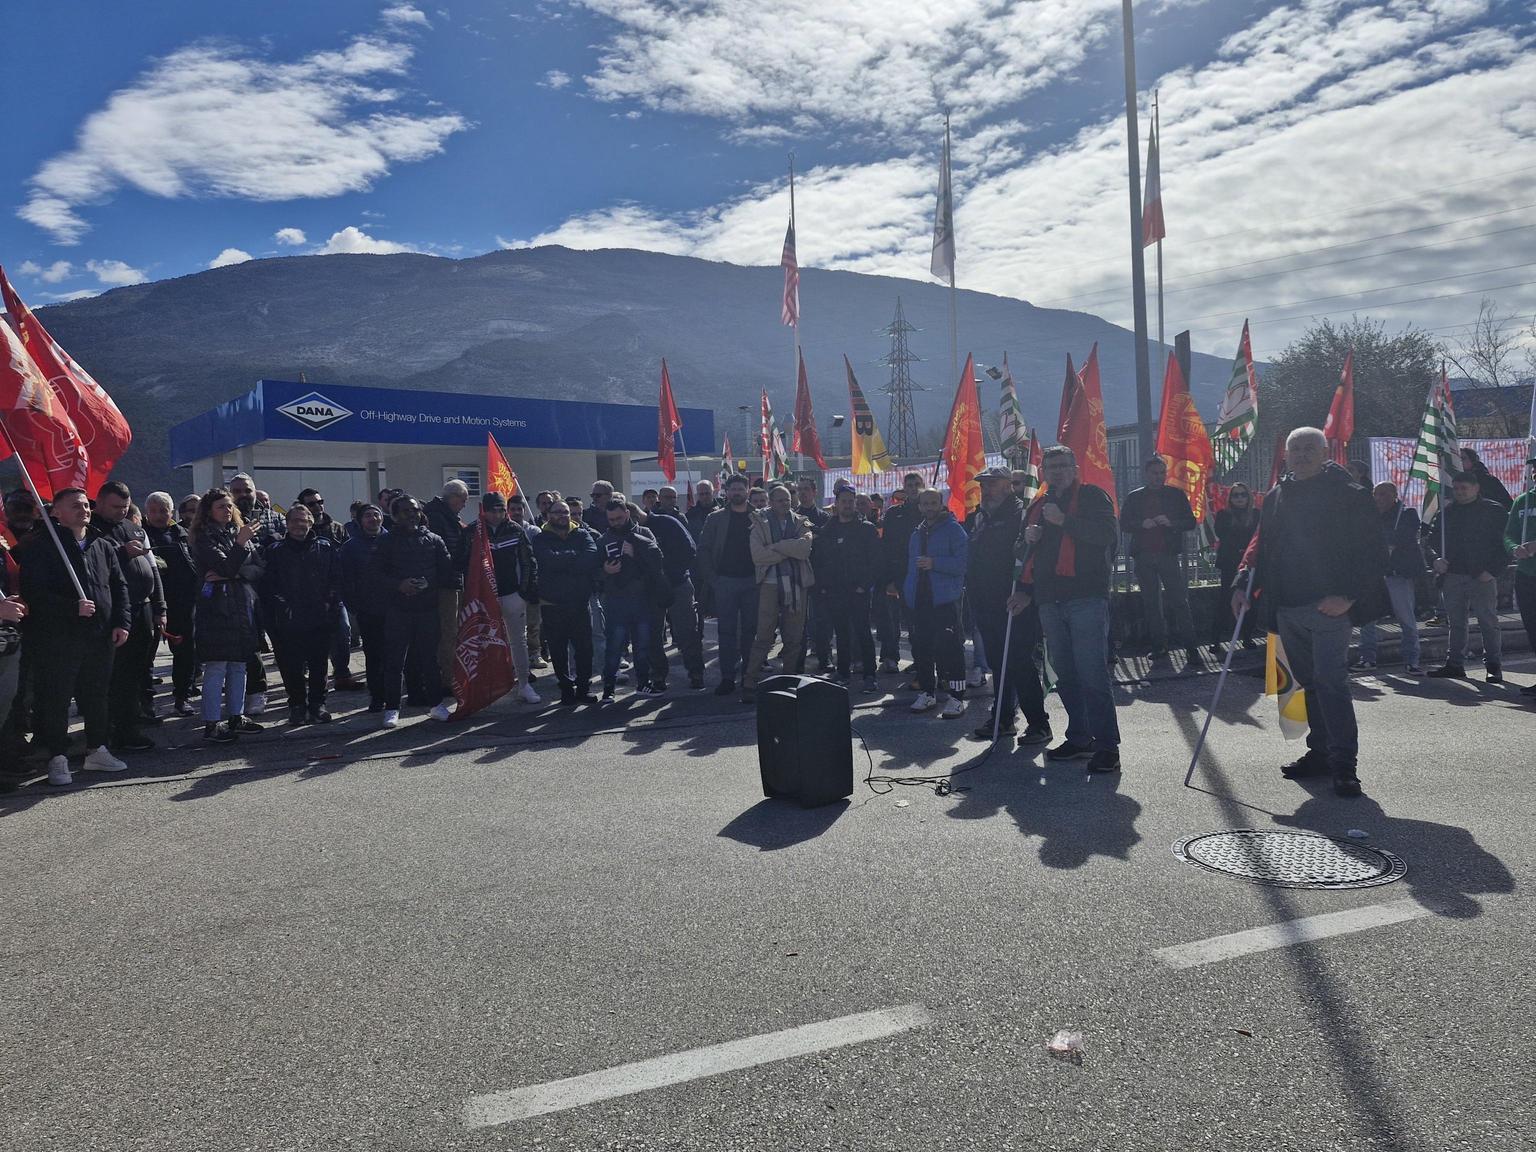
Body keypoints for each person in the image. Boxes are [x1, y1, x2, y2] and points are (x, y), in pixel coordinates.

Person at [1235, 428, 1384, 796]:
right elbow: (1261, 545)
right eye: (1295, 449)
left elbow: (1373, 551)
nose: (1301, 455)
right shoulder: (1276, 497)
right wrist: (1242, 583)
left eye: (1308, 449)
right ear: (1286, 454)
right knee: (1305, 685)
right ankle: (1319, 754)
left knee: (1332, 683)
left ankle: (1344, 764)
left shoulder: (1349, 494)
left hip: (1329, 607)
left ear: (1325, 451)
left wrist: (1348, 597)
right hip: (1286, 606)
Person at [1014, 446, 1122, 772]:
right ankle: (1080, 738)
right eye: (1051, 467)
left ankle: (1107, 748)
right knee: (1066, 675)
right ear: (1044, 472)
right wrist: (1027, 541)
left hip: (1086, 598)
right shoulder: (1037, 506)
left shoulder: (1093, 497)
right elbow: (1024, 554)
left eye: (1063, 465)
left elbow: (1107, 536)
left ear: (1075, 468)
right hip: (1049, 600)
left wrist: (1066, 521)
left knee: (1092, 674)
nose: (1057, 471)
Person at [17, 489, 131, 785]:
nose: (84, 509)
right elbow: (34, 594)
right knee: (57, 698)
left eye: (85, 504)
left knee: (96, 695)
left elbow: (118, 587)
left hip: (100, 634)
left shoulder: (102, 545)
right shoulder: (42, 547)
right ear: (56, 512)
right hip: (59, 638)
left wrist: (122, 622)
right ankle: (57, 757)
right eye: (75, 505)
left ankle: (97, 749)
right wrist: (71, 607)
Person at [967, 466, 1050, 745]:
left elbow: (1032, 558)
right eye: (983, 484)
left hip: (1014, 601)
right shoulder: (980, 517)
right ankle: (1003, 718)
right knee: (998, 664)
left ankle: (1038, 723)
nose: (986, 489)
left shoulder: (1020, 515)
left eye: (992, 484)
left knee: (1019, 663)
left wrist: (1027, 592)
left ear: (1007, 486)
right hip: (986, 603)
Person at [89, 481, 166, 752]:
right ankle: (116, 730)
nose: (121, 511)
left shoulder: (132, 527)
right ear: (99, 503)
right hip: (114, 612)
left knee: (136, 672)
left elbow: (152, 569)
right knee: (115, 676)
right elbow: (95, 568)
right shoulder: (92, 530)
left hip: (142, 607)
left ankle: (131, 724)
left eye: (125, 506)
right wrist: (122, 553)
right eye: (115, 506)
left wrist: (160, 607)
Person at [369, 494, 455, 726]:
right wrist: (399, 585)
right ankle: (392, 708)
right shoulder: (385, 542)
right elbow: (375, 574)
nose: (411, 514)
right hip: (398, 610)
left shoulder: (434, 540)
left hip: (427, 609)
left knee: (429, 659)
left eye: (415, 510)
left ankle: (436, 705)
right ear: (395, 515)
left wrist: (429, 581)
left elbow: (447, 570)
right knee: (394, 661)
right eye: (405, 511)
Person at [188, 488, 265, 744]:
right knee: (217, 666)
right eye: (221, 506)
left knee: (239, 664)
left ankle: (236, 715)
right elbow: (224, 566)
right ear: (209, 510)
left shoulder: (237, 532)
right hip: (217, 609)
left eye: (229, 506)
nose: (228, 510)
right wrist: (240, 547)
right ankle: (211, 723)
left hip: (242, 606)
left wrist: (235, 572)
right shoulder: (203, 538)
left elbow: (257, 568)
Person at [1425, 470, 1511, 682]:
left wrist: (1493, 570)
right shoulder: (1446, 513)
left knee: (1487, 620)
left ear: (1476, 488)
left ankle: (1493, 665)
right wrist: (1435, 560)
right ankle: (1454, 663)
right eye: (1456, 488)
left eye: (1464, 488)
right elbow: (1431, 543)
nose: (1460, 492)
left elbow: (1506, 543)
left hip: (1481, 574)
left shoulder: (1493, 511)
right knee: (1456, 622)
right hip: (1453, 574)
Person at [262, 504, 342, 724]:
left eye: (303, 520)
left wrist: (330, 604)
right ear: (287, 524)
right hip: (288, 620)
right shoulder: (275, 550)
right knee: (291, 666)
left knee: (319, 665)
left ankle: (317, 705)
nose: (299, 524)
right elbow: (269, 585)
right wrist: (282, 608)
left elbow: (336, 579)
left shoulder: (325, 547)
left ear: (311, 522)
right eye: (294, 520)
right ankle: (297, 705)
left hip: (319, 617)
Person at [1119, 456, 1198, 660]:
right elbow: (1124, 523)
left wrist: (1171, 522)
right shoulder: (1134, 497)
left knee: (1180, 601)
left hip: (1168, 555)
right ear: (1146, 474)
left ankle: (1191, 648)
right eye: (1155, 473)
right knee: (1151, 603)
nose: (1158, 477)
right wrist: (1141, 524)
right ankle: (1159, 646)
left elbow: (1190, 522)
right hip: (1143, 556)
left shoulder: (1176, 495)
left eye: (1162, 473)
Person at [741, 484, 815, 701]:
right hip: (769, 585)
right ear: (771, 502)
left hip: (797, 584)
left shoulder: (801, 522)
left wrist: (776, 546)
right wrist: (788, 550)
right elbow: (758, 556)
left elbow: (804, 549)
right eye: (781, 500)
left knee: (794, 637)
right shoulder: (759, 523)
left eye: (788, 499)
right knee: (763, 635)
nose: (786, 502)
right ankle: (750, 682)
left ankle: (788, 680)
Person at [903, 489, 970, 719]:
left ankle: (957, 697)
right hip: (920, 600)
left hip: (945, 600)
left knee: (951, 648)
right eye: (925, 503)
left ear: (941, 505)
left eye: (934, 502)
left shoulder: (954, 530)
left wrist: (934, 563)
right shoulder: (916, 532)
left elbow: (963, 564)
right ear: (920, 506)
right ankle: (927, 692)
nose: (929, 507)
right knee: (921, 648)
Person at [810, 485, 880, 693]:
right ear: (837, 503)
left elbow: (875, 561)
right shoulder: (828, 530)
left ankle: (870, 675)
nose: (848, 505)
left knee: (863, 633)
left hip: (858, 591)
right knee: (841, 633)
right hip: (835, 592)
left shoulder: (866, 529)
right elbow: (820, 561)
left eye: (851, 501)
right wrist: (823, 587)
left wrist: (864, 585)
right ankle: (843, 673)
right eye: (844, 501)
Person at [595, 498, 665, 701]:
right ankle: (609, 688)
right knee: (614, 646)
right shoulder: (603, 540)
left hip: (642, 599)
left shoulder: (644, 533)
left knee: (642, 646)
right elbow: (592, 571)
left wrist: (637, 554)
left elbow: (658, 562)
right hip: (616, 602)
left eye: (618, 518)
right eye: (611, 519)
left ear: (627, 513)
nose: (615, 522)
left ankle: (643, 684)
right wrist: (605, 571)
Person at [532, 497, 600, 704]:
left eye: (566, 513)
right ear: (548, 515)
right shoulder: (540, 538)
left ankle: (583, 688)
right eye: (558, 512)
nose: (563, 516)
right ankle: (566, 690)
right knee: (558, 650)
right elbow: (547, 560)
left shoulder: (582, 534)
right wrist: (573, 558)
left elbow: (591, 556)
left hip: (579, 602)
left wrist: (562, 559)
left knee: (584, 649)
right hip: (552, 604)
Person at [696, 474, 759, 696]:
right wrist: (713, 579)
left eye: (740, 489)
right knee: (726, 633)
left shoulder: (760, 517)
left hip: (753, 582)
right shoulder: (716, 518)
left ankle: (750, 678)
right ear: (726, 492)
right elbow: (703, 549)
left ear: (747, 490)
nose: (737, 493)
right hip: (725, 582)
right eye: (733, 490)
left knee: (751, 632)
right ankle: (727, 678)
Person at [1353, 482, 1424, 674]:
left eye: (1383, 494)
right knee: (1368, 619)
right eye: (1376, 494)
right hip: (1374, 574)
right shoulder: (1369, 515)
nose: (1378, 498)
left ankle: (1412, 659)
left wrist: (1390, 541)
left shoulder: (1407, 514)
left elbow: (1407, 535)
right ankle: (1368, 658)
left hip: (1397, 574)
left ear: (1394, 495)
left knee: (1405, 618)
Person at [226, 473, 282, 714]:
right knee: (250, 643)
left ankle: (295, 686)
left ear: (254, 491)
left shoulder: (276, 517)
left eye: (246, 490)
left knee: (282, 639)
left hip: (273, 590)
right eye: (236, 491)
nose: (242, 495)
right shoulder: (226, 520)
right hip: (242, 591)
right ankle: (256, 691)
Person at [480, 492, 543, 705]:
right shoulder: (474, 532)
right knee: (486, 642)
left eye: (500, 510)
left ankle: (524, 684)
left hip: (512, 594)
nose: (497, 515)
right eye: (492, 510)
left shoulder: (516, 530)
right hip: (485, 597)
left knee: (519, 641)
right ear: (484, 511)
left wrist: (524, 592)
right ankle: (490, 687)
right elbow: (465, 564)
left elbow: (528, 562)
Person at [297, 488, 360, 691]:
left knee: (343, 631)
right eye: (312, 503)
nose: (317, 506)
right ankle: (308, 675)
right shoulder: (298, 529)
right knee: (309, 636)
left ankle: (341, 674)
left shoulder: (337, 528)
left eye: (319, 501)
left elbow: (349, 556)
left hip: (334, 591)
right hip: (307, 594)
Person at [143, 491, 201, 714]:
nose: (159, 515)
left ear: (171, 512)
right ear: (147, 512)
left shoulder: (183, 534)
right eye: (154, 511)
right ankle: (145, 702)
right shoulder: (140, 536)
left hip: (183, 603)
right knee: (146, 655)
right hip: (151, 603)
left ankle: (182, 696)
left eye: (164, 510)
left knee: (186, 653)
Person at [640, 505, 706, 690]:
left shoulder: (667, 523)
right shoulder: (630, 532)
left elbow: (690, 549)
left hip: (677, 584)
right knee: (653, 634)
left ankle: (695, 672)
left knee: (686, 631)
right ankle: (658, 675)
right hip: (651, 590)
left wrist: (670, 574)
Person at [422, 480, 470, 695]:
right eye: (463, 500)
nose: (465, 505)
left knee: (452, 630)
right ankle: (447, 679)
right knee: (448, 631)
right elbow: (445, 553)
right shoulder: (437, 518)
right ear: (452, 497)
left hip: (451, 581)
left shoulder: (448, 517)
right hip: (445, 583)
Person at [341, 504, 389, 713]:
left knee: (395, 655)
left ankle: (395, 695)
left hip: (396, 609)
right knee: (374, 655)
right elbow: (345, 580)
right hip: (369, 610)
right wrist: (355, 606)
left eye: (376, 514)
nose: (373, 519)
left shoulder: (393, 541)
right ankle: (377, 697)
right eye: (367, 516)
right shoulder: (350, 547)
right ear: (360, 521)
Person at [881, 473, 926, 675]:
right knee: (893, 621)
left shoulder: (931, 512)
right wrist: (889, 579)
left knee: (919, 624)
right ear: (904, 488)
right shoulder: (893, 513)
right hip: (899, 575)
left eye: (917, 484)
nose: (914, 488)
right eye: (910, 485)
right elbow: (887, 547)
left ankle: (922, 661)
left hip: (924, 576)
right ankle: (891, 657)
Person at [1211, 483, 1259, 651]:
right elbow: (1222, 534)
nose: (1239, 498)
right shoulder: (1224, 515)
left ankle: (1247, 637)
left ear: (1248, 497)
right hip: (1230, 563)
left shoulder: (1255, 514)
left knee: (1250, 600)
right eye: (1236, 495)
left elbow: (1257, 538)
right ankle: (1216, 639)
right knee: (1225, 599)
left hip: (1249, 564)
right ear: (1230, 499)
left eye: (1243, 495)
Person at [1506, 455, 1536, 696]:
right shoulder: (1522, 501)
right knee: (1532, 628)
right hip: (1526, 575)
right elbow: (1508, 534)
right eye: (1535, 469)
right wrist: (1513, 548)